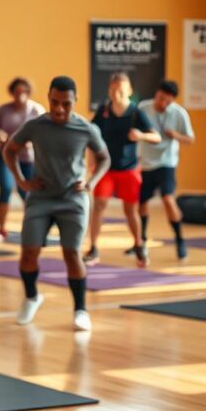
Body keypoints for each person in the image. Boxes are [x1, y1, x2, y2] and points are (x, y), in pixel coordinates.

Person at [3, 76, 110, 331]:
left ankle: (80, 310)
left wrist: (91, 182)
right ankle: (31, 297)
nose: (60, 109)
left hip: (73, 199)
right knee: (29, 252)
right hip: (40, 197)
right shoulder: (36, 125)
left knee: (71, 253)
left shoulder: (86, 129)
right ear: (49, 98)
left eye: (66, 104)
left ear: (76, 101)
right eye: (54, 102)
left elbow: (104, 158)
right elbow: (10, 150)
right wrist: (21, 180)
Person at [85, 72, 158, 267]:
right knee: (98, 206)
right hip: (106, 169)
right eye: (113, 89)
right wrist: (91, 161)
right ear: (109, 90)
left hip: (128, 169)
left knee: (130, 210)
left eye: (121, 89)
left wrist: (141, 136)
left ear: (129, 90)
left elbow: (156, 137)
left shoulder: (136, 113)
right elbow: (91, 137)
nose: (117, 93)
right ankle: (93, 248)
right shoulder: (103, 111)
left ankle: (139, 245)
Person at [136, 80, 194, 259]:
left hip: (167, 162)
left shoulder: (179, 113)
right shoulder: (143, 108)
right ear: (156, 94)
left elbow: (190, 139)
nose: (162, 104)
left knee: (168, 199)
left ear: (172, 101)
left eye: (167, 101)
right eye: (160, 99)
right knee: (142, 202)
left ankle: (179, 238)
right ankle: (142, 240)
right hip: (145, 162)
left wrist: (175, 135)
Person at [0, 77, 44, 242]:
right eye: (17, 91)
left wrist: (31, 143)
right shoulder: (3, 110)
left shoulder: (36, 110)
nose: (20, 95)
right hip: (5, 156)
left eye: (23, 91)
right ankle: (2, 230)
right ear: (12, 92)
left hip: (28, 159)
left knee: (26, 192)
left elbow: (44, 134)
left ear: (28, 92)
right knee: (5, 188)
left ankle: (33, 228)